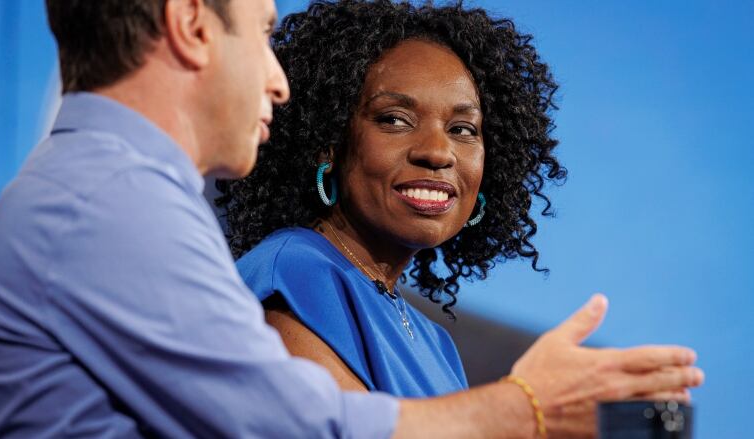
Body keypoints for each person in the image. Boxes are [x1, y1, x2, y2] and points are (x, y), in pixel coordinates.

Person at [0, 0, 701, 438]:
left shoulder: (119, 195)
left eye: (465, 130)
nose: (278, 79)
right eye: (262, 31)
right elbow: (298, 429)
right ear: (192, 24)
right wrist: (526, 405)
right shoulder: (111, 202)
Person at [218, 0, 704, 430]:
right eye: (394, 119)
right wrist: (525, 409)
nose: (438, 152)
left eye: (463, 129)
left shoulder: (434, 342)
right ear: (328, 143)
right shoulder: (296, 275)